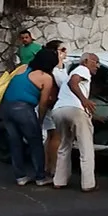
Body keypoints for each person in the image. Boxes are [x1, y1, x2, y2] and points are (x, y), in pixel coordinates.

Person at [0, 48, 58, 186]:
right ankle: (40, 177)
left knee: (15, 142)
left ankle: (20, 177)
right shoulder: (46, 78)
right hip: (23, 109)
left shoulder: (23, 68)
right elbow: (43, 103)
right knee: (35, 142)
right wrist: (40, 120)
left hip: (5, 108)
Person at [52, 52, 100, 192]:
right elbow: (73, 82)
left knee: (64, 145)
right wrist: (84, 101)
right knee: (86, 148)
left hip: (59, 110)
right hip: (75, 110)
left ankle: (59, 181)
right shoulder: (81, 69)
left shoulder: (75, 71)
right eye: (95, 62)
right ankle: (88, 184)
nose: (97, 66)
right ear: (85, 61)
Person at [41, 40, 68, 176]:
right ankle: (54, 167)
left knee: (51, 136)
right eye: (62, 50)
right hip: (54, 105)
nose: (65, 53)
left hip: (48, 105)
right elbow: (64, 84)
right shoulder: (55, 70)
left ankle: (47, 165)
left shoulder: (54, 67)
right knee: (56, 136)